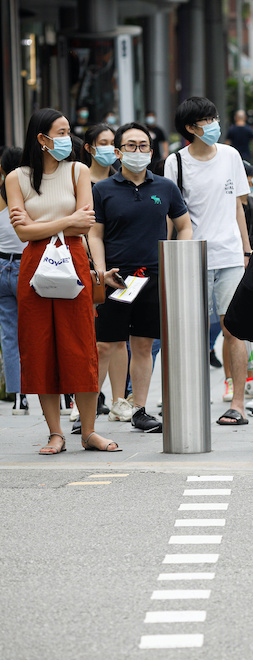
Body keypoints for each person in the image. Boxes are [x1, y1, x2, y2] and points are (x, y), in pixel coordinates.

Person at [4, 108, 120, 453]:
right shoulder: (16, 178)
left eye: (69, 131)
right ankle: (55, 432)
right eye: (61, 131)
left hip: (73, 259)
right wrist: (63, 221)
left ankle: (88, 432)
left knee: (80, 346)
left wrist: (44, 224)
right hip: (35, 263)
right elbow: (22, 233)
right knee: (40, 348)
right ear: (42, 139)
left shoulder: (78, 171)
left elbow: (84, 225)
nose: (69, 138)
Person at [90, 121, 192, 433]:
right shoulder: (103, 190)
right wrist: (100, 270)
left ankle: (139, 410)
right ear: (118, 152)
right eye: (131, 146)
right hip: (117, 277)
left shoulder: (165, 187)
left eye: (143, 145)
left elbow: (184, 225)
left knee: (144, 344)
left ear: (152, 150)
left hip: (153, 276)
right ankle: (89, 410)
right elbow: (95, 234)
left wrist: (179, 259)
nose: (138, 151)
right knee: (105, 345)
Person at [164, 96, 252, 426]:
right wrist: (170, 256)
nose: (214, 124)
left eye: (215, 117)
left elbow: (238, 207)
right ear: (190, 128)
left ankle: (238, 403)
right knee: (192, 332)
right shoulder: (176, 162)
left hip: (229, 255)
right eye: (207, 119)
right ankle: (192, 400)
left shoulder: (230, 155)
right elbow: (172, 215)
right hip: (191, 257)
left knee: (234, 330)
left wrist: (246, 252)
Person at [0, 147, 27, 415]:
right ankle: (65, 397)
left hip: (0, 266)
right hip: (26, 265)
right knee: (38, 331)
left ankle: (19, 397)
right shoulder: (27, 192)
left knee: (9, 336)